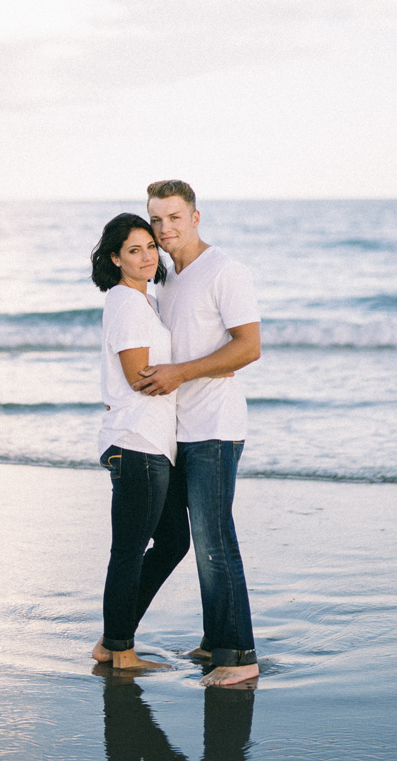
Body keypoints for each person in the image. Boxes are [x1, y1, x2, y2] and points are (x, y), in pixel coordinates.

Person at [134, 180, 261, 687]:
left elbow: (248, 347)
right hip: (174, 430)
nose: (165, 229)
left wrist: (184, 372)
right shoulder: (166, 278)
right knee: (187, 541)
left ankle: (241, 656)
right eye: (157, 220)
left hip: (215, 427)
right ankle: (215, 641)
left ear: (196, 217)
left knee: (215, 539)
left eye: (175, 218)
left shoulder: (225, 271)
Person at [89, 213, 190, 670]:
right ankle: (120, 650)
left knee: (172, 543)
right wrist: (191, 372)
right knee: (129, 552)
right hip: (136, 444)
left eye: (150, 246)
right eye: (134, 250)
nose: (147, 255)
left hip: (150, 445)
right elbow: (137, 378)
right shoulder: (127, 303)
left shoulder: (141, 302)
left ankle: (113, 641)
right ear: (116, 258)